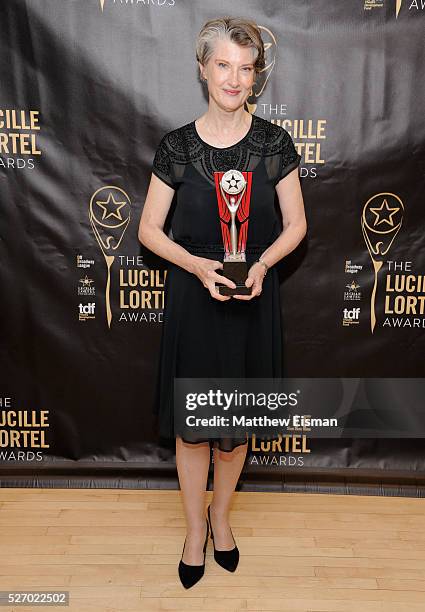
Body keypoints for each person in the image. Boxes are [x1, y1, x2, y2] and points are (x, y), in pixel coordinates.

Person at [138, 16, 306, 589]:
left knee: (232, 428)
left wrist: (258, 266)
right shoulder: (177, 146)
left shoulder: (274, 144)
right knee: (194, 428)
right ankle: (192, 532)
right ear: (204, 69)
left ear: (255, 77)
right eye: (223, 65)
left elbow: (297, 225)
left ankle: (222, 519)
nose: (234, 79)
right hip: (195, 297)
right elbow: (148, 231)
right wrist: (196, 264)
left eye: (245, 67)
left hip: (250, 297)